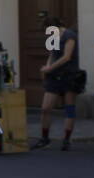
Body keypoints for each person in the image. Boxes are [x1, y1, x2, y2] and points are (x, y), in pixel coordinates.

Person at [32, 16, 85, 151]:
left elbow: (66, 57)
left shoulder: (69, 35)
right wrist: (47, 67)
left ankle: (66, 139)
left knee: (69, 108)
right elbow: (52, 54)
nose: (46, 33)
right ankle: (45, 138)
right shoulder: (53, 35)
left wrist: (50, 68)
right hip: (54, 76)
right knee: (45, 108)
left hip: (69, 75)